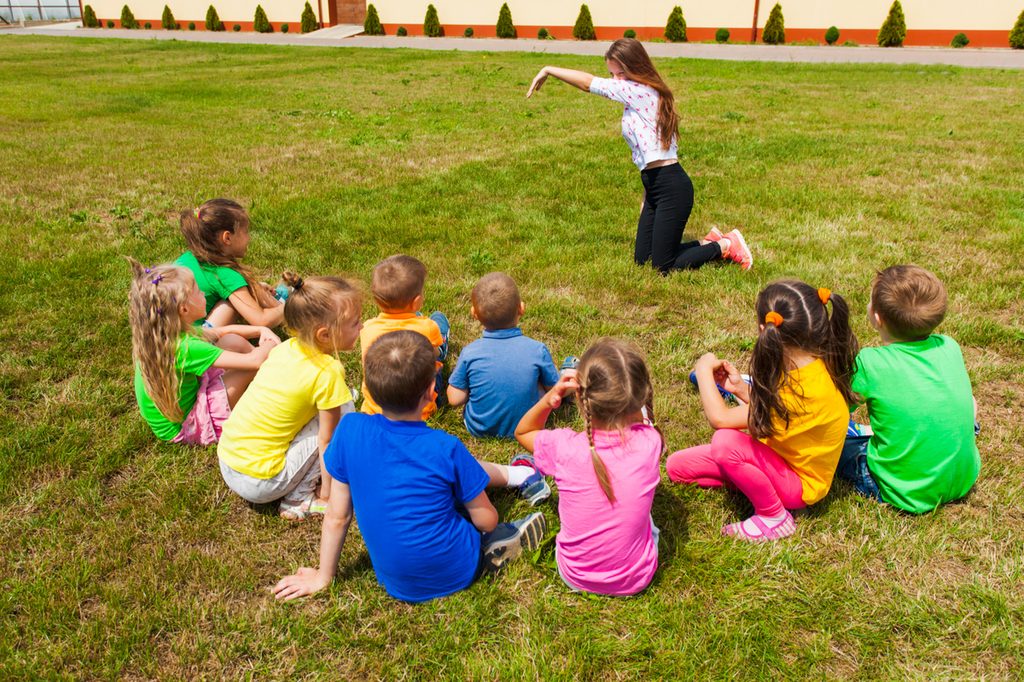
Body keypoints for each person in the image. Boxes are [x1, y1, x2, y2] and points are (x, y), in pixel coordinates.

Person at [272, 331, 547, 603]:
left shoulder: (349, 430)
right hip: (458, 568)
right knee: (479, 510)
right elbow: (486, 520)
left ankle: (511, 476)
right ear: (431, 391)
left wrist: (323, 576)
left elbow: (337, 517)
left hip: (394, 581)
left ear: (368, 388)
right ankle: (500, 543)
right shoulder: (445, 446)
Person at [526, 38, 752, 274]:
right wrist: (647, 195)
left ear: (636, 67)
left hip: (672, 188)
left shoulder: (640, 91)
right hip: (655, 186)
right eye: (612, 74)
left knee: (663, 267)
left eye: (620, 73)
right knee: (643, 261)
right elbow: (650, 157)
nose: (616, 80)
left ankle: (727, 244)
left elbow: (588, 84)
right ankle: (708, 242)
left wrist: (548, 69)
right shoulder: (641, 94)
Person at [666, 281, 858, 542]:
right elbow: (779, 415)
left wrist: (703, 371)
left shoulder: (799, 391)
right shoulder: (816, 365)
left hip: (800, 485)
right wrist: (741, 391)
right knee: (677, 467)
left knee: (725, 443)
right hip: (777, 458)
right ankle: (755, 482)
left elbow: (720, 419)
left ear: (764, 329)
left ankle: (773, 516)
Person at [514, 338, 663, 596]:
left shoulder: (564, 448)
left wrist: (551, 397)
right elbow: (643, 424)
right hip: (637, 578)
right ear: (640, 397)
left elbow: (524, 430)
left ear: (582, 400)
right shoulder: (651, 442)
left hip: (575, 574)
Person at [217, 272, 361, 520]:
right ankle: (300, 499)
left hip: (228, 460)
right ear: (324, 335)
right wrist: (327, 494)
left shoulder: (284, 348)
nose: (362, 327)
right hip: (260, 482)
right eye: (355, 323)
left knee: (338, 402)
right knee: (345, 416)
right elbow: (328, 442)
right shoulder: (327, 373)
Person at [837, 265, 980, 513]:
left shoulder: (870, 362)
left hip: (903, 489)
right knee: (967, 405)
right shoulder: (949, 346)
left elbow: (837, 409)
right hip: (962, 479)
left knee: (838, 446)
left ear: (877, 318)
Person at [128, 258, 278, 445]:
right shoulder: (185, 347)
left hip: (177, 411)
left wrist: (261, 330)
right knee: (251, 366)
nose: (204, 294)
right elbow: (254, 362)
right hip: (187, 426)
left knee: (230, 341)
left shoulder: (169, 333)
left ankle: (272, 376)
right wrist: (272, 344)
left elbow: (221, 331)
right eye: (198, 291)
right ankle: (276, 381)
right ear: (184, 308)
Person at [447, 272, 562, 439]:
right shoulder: (537, 349)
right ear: (521, 308)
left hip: (479, 429)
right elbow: (554, 391)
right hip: (530, 426)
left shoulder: (470, 352)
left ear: (474, 314)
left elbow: (454, 399)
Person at [359, 254, 449, 420]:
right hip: (422, 411)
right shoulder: (427, 327)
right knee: (438, 330)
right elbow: (434, 354)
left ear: (377, 301)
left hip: (375, 409)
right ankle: (441, 332)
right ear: (416, 301)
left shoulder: (367, 328)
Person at [176, 198, 285, 328]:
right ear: (227, 238)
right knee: (233, 302)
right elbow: (261, 320)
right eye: (245, 232)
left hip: (159, 335)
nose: (249, 238)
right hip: (188, 343)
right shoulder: (224, 274)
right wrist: (289, 307)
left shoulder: (187, 258)